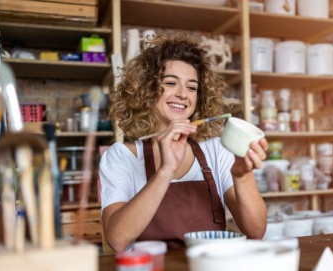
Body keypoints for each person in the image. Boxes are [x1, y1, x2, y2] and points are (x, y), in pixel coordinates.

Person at [100, 33, 268, 252]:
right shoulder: (122, 156)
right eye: (171, 83)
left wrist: (242, 175)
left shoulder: (216, 150)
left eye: (191, 87)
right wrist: (165, 171)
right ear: (147, 90)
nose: (182, 94)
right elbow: (117, 239)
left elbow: (256, 231)